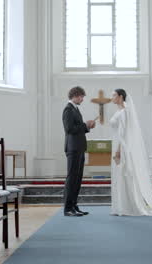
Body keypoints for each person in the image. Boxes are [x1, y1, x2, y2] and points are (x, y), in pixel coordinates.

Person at [62, 86, 96, 216]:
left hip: (79, 148)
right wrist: (85, 125)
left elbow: (78, 128)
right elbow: (69, 129)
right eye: (81, 96)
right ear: (75, 96)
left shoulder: (75, 109)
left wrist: (88, 127)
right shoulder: (68, 109)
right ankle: (67, 208)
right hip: (73, 148)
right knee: (72, 178)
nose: (82, 99)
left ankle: (74, 206)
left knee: (78, 178)